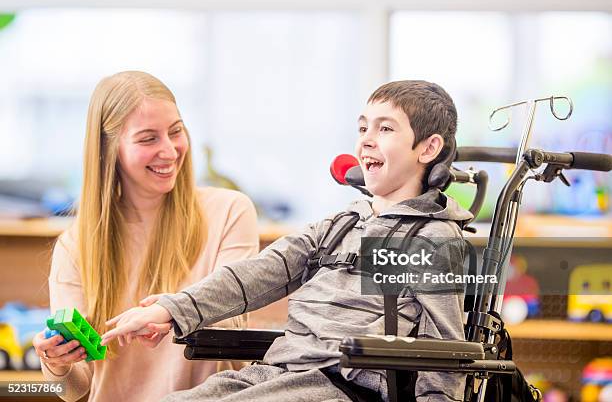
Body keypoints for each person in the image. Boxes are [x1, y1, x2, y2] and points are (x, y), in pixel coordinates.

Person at [101, 80, 473, 402]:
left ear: (427, 148)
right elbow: (258, 273)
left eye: (386, 129)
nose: (366, 141)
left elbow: (443, 353)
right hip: (276, 374)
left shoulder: (431, 239)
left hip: (340, 386)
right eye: (362, 129)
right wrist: (170, 309)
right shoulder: (340, 224)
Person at [32, 71, 259, 401]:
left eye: (176, 131)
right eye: (148, 139)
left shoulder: (230, 212)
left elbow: (232, 331)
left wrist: (173, 317)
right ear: (110, 150)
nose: (169, 151)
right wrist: (56, 363)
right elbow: (73, 391)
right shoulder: (76, 246)